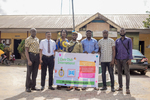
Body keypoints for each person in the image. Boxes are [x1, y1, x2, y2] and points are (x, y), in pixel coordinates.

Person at [115, 28, 133, 94]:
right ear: (119, 32)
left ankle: (127, 88)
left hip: (126, 59)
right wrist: (115, 59)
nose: (122, 32)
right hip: (118, 59)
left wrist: (130, 59)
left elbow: (130, 49)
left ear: (125, 32)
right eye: (121, 31)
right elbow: (115, 50)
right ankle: (120, 87)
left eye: (123, 31)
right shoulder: (117, 40)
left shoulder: (128, 40)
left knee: (127, 73)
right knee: (119, 73)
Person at [25, 28, 40, 92]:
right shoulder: (28, 39)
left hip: (37, 56)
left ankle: (33, 86)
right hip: (31, 56)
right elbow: (26, 50)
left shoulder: (37, 39)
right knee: (29, 72)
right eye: (33, 31)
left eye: (35, 31)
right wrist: (28, 60)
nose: (34, 33)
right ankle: (27, 87)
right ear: (30, 32)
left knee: (35, 72)